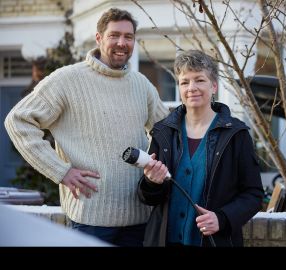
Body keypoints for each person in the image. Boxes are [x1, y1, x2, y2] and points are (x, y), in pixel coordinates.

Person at [4, 8, 169, 247]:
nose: (122, 43)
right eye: (114, 35)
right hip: (90, 221)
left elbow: (166, 131)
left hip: (140, 219)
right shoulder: (66, 80)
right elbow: (18, 120)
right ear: (99, 38)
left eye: (128, 37)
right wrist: (61, 171)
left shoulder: (141, 84)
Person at [137, 49, 264, 247]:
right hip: (164, 241)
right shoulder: (163, 132)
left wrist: (222, 218)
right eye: (184, 82)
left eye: (199, 80)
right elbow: (147, 197)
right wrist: (152, 182)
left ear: (214, 86)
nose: (192, 87)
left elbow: (254, 194)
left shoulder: (236, 135)